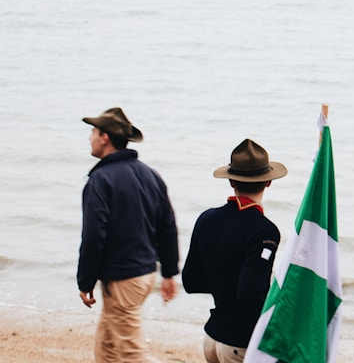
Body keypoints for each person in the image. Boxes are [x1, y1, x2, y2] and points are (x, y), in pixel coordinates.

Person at [78, 107, 179, 362]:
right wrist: (168, 272)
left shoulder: (101, 179)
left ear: (105, 138)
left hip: (123, 278)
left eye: (93, 132)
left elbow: (93, 235)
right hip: (144, 274)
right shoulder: (150, 175)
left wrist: (85, 281)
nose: (89, 137)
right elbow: (167, 226)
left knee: (132, 352)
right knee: (108, 346)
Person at [182, 138, 287, 363]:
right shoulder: (264, 231)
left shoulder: (206, 218)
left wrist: (224, 284)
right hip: (241, 343)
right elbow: (251, 295)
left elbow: (191, 281)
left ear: (231, 181)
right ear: (268, 182)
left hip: (212, 337)